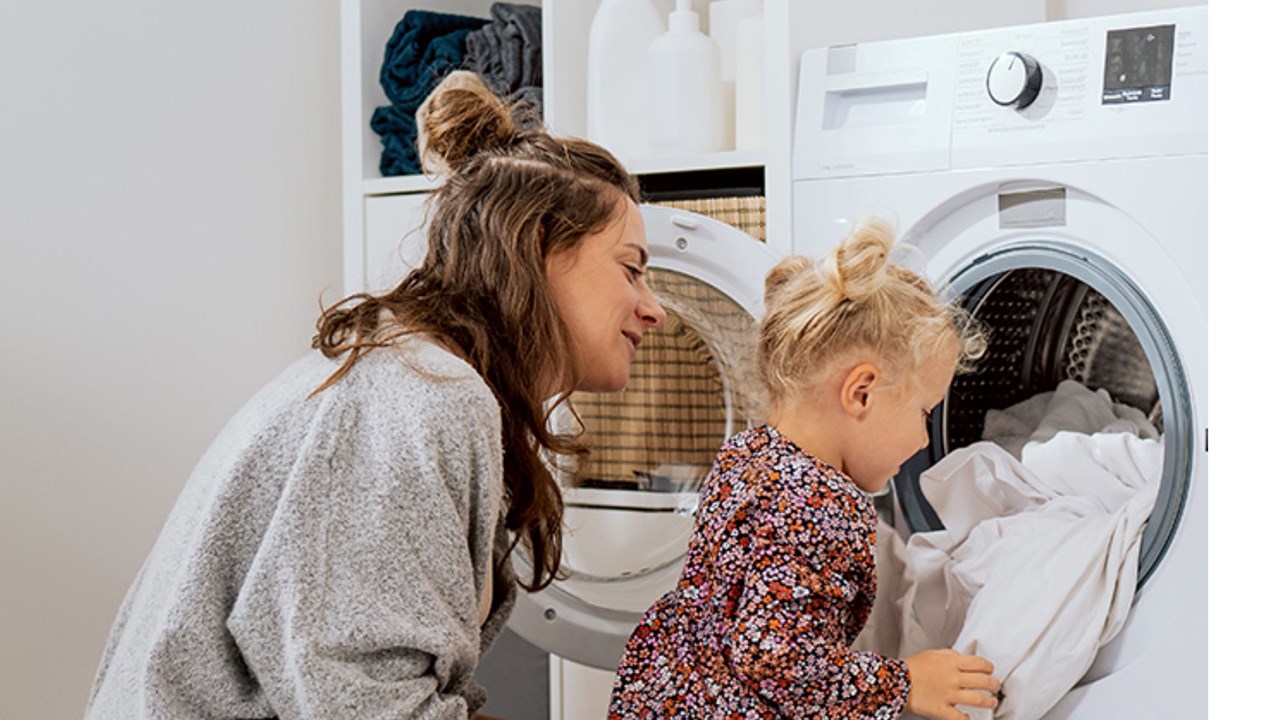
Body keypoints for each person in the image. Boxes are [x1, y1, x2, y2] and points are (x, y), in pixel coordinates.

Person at [84, 70, 666, 719]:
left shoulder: (416, 376)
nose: (654, 310)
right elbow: (367, 704)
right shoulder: (424, 396)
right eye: (632, 270)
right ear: (538, 247)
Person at [607, 219, 998, 720]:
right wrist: (906, 682)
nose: (925, 439)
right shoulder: (819, 505)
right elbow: (776, 660)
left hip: (671, 695)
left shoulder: (746, 456)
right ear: (862, 393)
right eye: (924, 411)